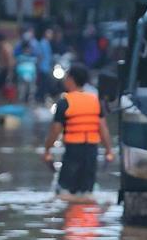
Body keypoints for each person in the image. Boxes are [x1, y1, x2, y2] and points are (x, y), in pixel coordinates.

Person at [42, 63, 115, 196]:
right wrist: (109, 151)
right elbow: (103, 129)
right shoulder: (95, 101)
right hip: (92, 151)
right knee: (86, 191)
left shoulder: (64, 103)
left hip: (73, 151)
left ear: (70, 79)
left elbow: (55, 131)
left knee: (64, 191)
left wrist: (47, 150)